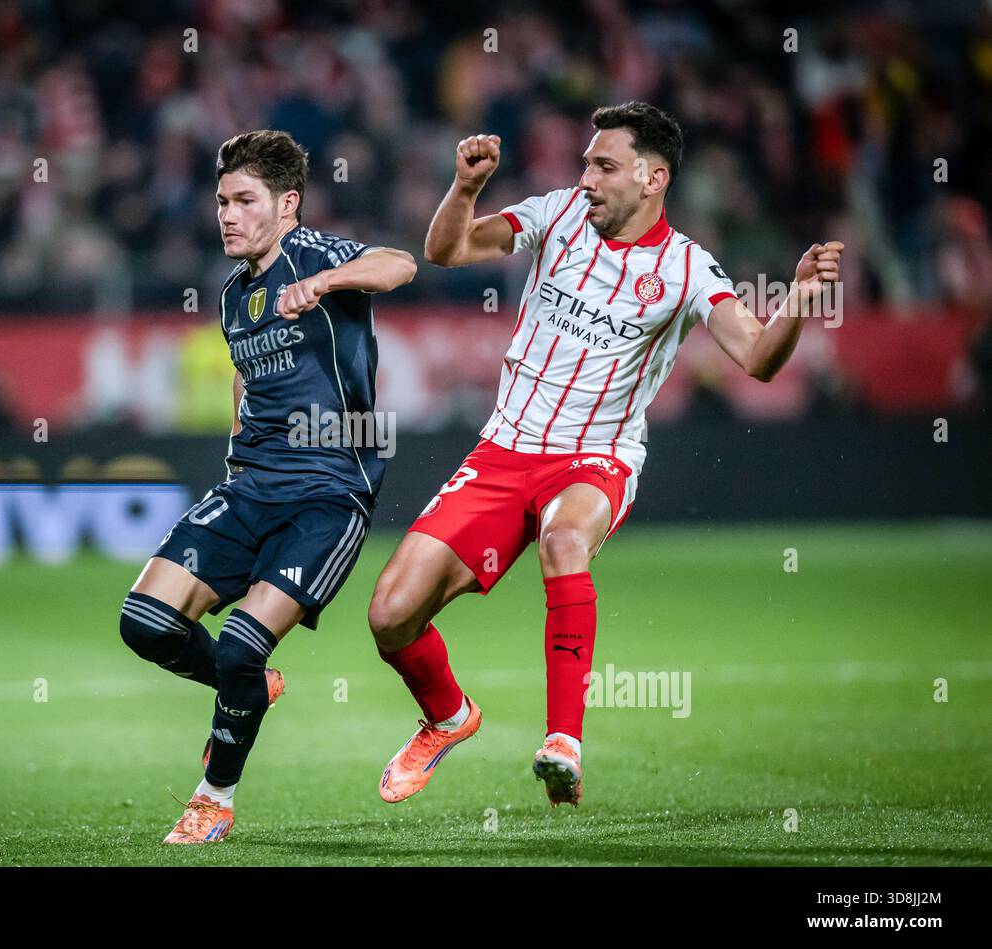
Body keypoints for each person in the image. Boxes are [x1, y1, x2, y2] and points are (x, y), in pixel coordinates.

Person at [367, 102, 843, 808]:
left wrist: (799, 299)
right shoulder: (555, 215)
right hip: (502, 452)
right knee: (390, 614)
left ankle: (564, 742)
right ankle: (448, 717)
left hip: (597, 458)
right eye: (586, 162)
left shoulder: (687, 269)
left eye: (604, 165)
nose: (585, 176)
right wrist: (465, 187)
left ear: (653, 179)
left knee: (564, 540)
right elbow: (447, 251)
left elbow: (758, 358)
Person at [118, 129, 417, 843]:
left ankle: (214, 797)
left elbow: (400, 265)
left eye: (244, 200)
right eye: (221, 200)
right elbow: (246, 383)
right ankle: (247, 691)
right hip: (250, 487)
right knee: (145, 623)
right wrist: (235, 460)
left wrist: (324, 284)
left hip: (327, 494)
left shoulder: (317, 255)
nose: (226, 214)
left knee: (240, 647)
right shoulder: (232, 297)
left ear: (287, 205)